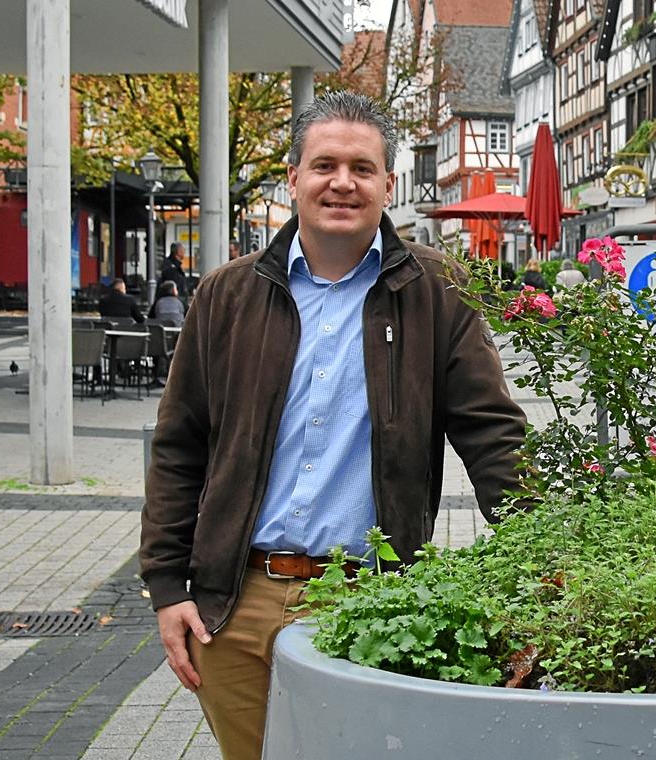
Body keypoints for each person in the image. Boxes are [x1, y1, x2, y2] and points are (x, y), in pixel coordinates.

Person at [140, 91, 526, 760]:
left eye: (361, 167)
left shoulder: (436, 292)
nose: (341, 183)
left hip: (363, 601)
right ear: (293, 179)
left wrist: (544, 556)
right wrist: (168, 587)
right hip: (233, 605)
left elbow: (493, 436)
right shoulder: (226, 295)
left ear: (387, 183)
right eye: (323, 165)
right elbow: (180, 447)